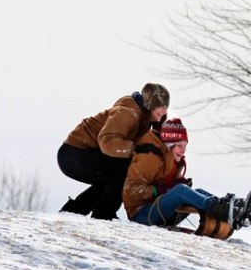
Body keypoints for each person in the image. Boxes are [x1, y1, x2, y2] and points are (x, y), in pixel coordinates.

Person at [123, 117, 251, 232]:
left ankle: (236, 212)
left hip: (162, 211)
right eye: (179, 146)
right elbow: (129, 191)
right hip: (141, 214)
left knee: (197, 192)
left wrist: (172, 187)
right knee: (181, 191)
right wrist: (160, 190)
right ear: (170, 145)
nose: (183, 151)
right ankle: (226, 211)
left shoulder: (175, 162)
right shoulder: (150, 157)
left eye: (185, 146)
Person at [57, 83, 170, 220]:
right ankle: (103, 213)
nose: (163, 111)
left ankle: (75, 212)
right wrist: (135, 148)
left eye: (165, 107)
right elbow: (107, 140)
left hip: (91, 153)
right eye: (159, 106)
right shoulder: (127, 113)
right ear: (149, 104)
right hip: (75, 153)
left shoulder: (145, 119)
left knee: (111, 176)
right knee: (120, 171)